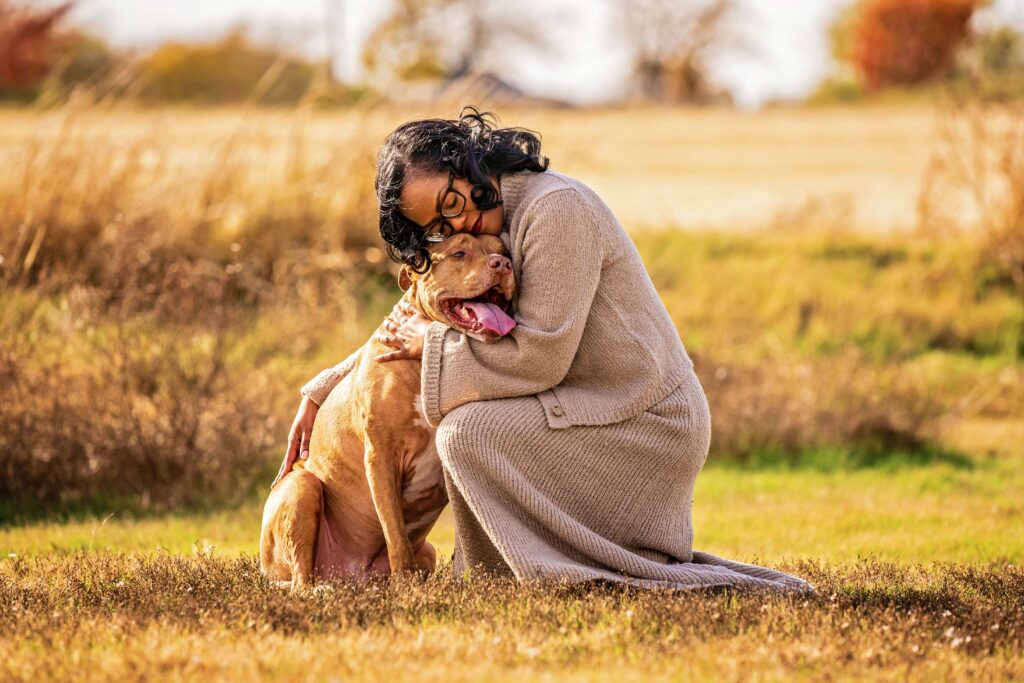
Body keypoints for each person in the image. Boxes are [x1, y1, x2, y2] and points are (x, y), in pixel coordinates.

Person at [278, 107, 810, 592]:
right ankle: (500, 573)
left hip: (643, 420)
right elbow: (412, 322)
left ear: (471, 160)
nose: (459, 223)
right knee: (465, 417)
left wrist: (432, 345)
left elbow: (539, 357)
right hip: (583, 409)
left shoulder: (556, 210)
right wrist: (325, 388)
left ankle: (556, 574)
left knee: (467, 430)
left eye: (454, 201)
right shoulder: (487, 238)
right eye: (438, 226)